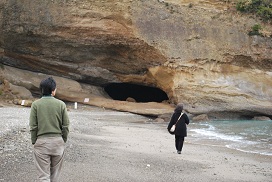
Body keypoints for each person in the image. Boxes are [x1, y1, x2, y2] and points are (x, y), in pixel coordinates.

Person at [29, 77, 70, 182]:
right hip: (57, 142)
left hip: (41, 142)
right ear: (53, 90)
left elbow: (33, 126)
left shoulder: (35, 105)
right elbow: (65, 125)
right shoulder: (61, 104)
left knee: (43, 177)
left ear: (41, 90)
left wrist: (34, 141)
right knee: (55, 176)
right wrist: (63, 140)